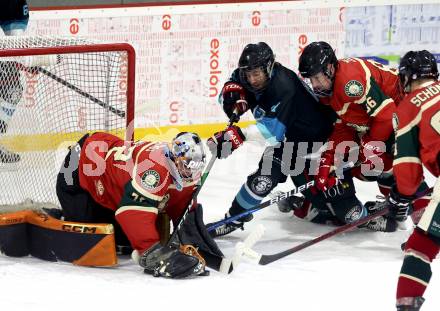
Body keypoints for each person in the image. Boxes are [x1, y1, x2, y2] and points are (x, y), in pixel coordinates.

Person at [206, 42, 380, 237]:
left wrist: (240, 134)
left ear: (269, 68)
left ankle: (373, 214)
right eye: (248, 74)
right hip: (288, 145)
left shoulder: (283, 86)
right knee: (262, 181)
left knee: (350, 214)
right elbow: (230, 87)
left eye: (257, 74)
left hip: (320, 146)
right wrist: (230, 97)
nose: (252, 80)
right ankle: (232, 219)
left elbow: (272, 134)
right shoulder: (245, 75)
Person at [298, 41, 432, 231]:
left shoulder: (350, 84)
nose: (315, 84)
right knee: (380, 167)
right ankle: (400, 211)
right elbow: (345, 124)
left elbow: (386, 116)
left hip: (403, 107)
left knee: (400, 165)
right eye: (311, 79)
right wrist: (330, 159)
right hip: (386, 116)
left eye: (318, 77)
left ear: (329, 68)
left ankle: (427, 226)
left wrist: (368, 147)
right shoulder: (329, 90)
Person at [56, 131, 213, 279]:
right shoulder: (155, 168)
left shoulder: (181, 164)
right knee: (91, 237)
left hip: (106, 176)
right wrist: (153, 252)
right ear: (175, 157)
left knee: (124, 242)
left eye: (195, 167)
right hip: (78, 167)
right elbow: (132, 213)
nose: (191, 173)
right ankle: (63, 216)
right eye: (187, 166)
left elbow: (182, 203)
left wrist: (191, 233)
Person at [384, 50, 440, 310]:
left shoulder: (408, 107)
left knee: (421, 246)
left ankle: (406, 306)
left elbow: (408, 175)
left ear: (406, 79)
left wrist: (399, 195)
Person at [0, 0, 29, 163]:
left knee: (13, 91)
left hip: (11, 10)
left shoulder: (16, 4)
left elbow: (16, 45)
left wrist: (28, 60)